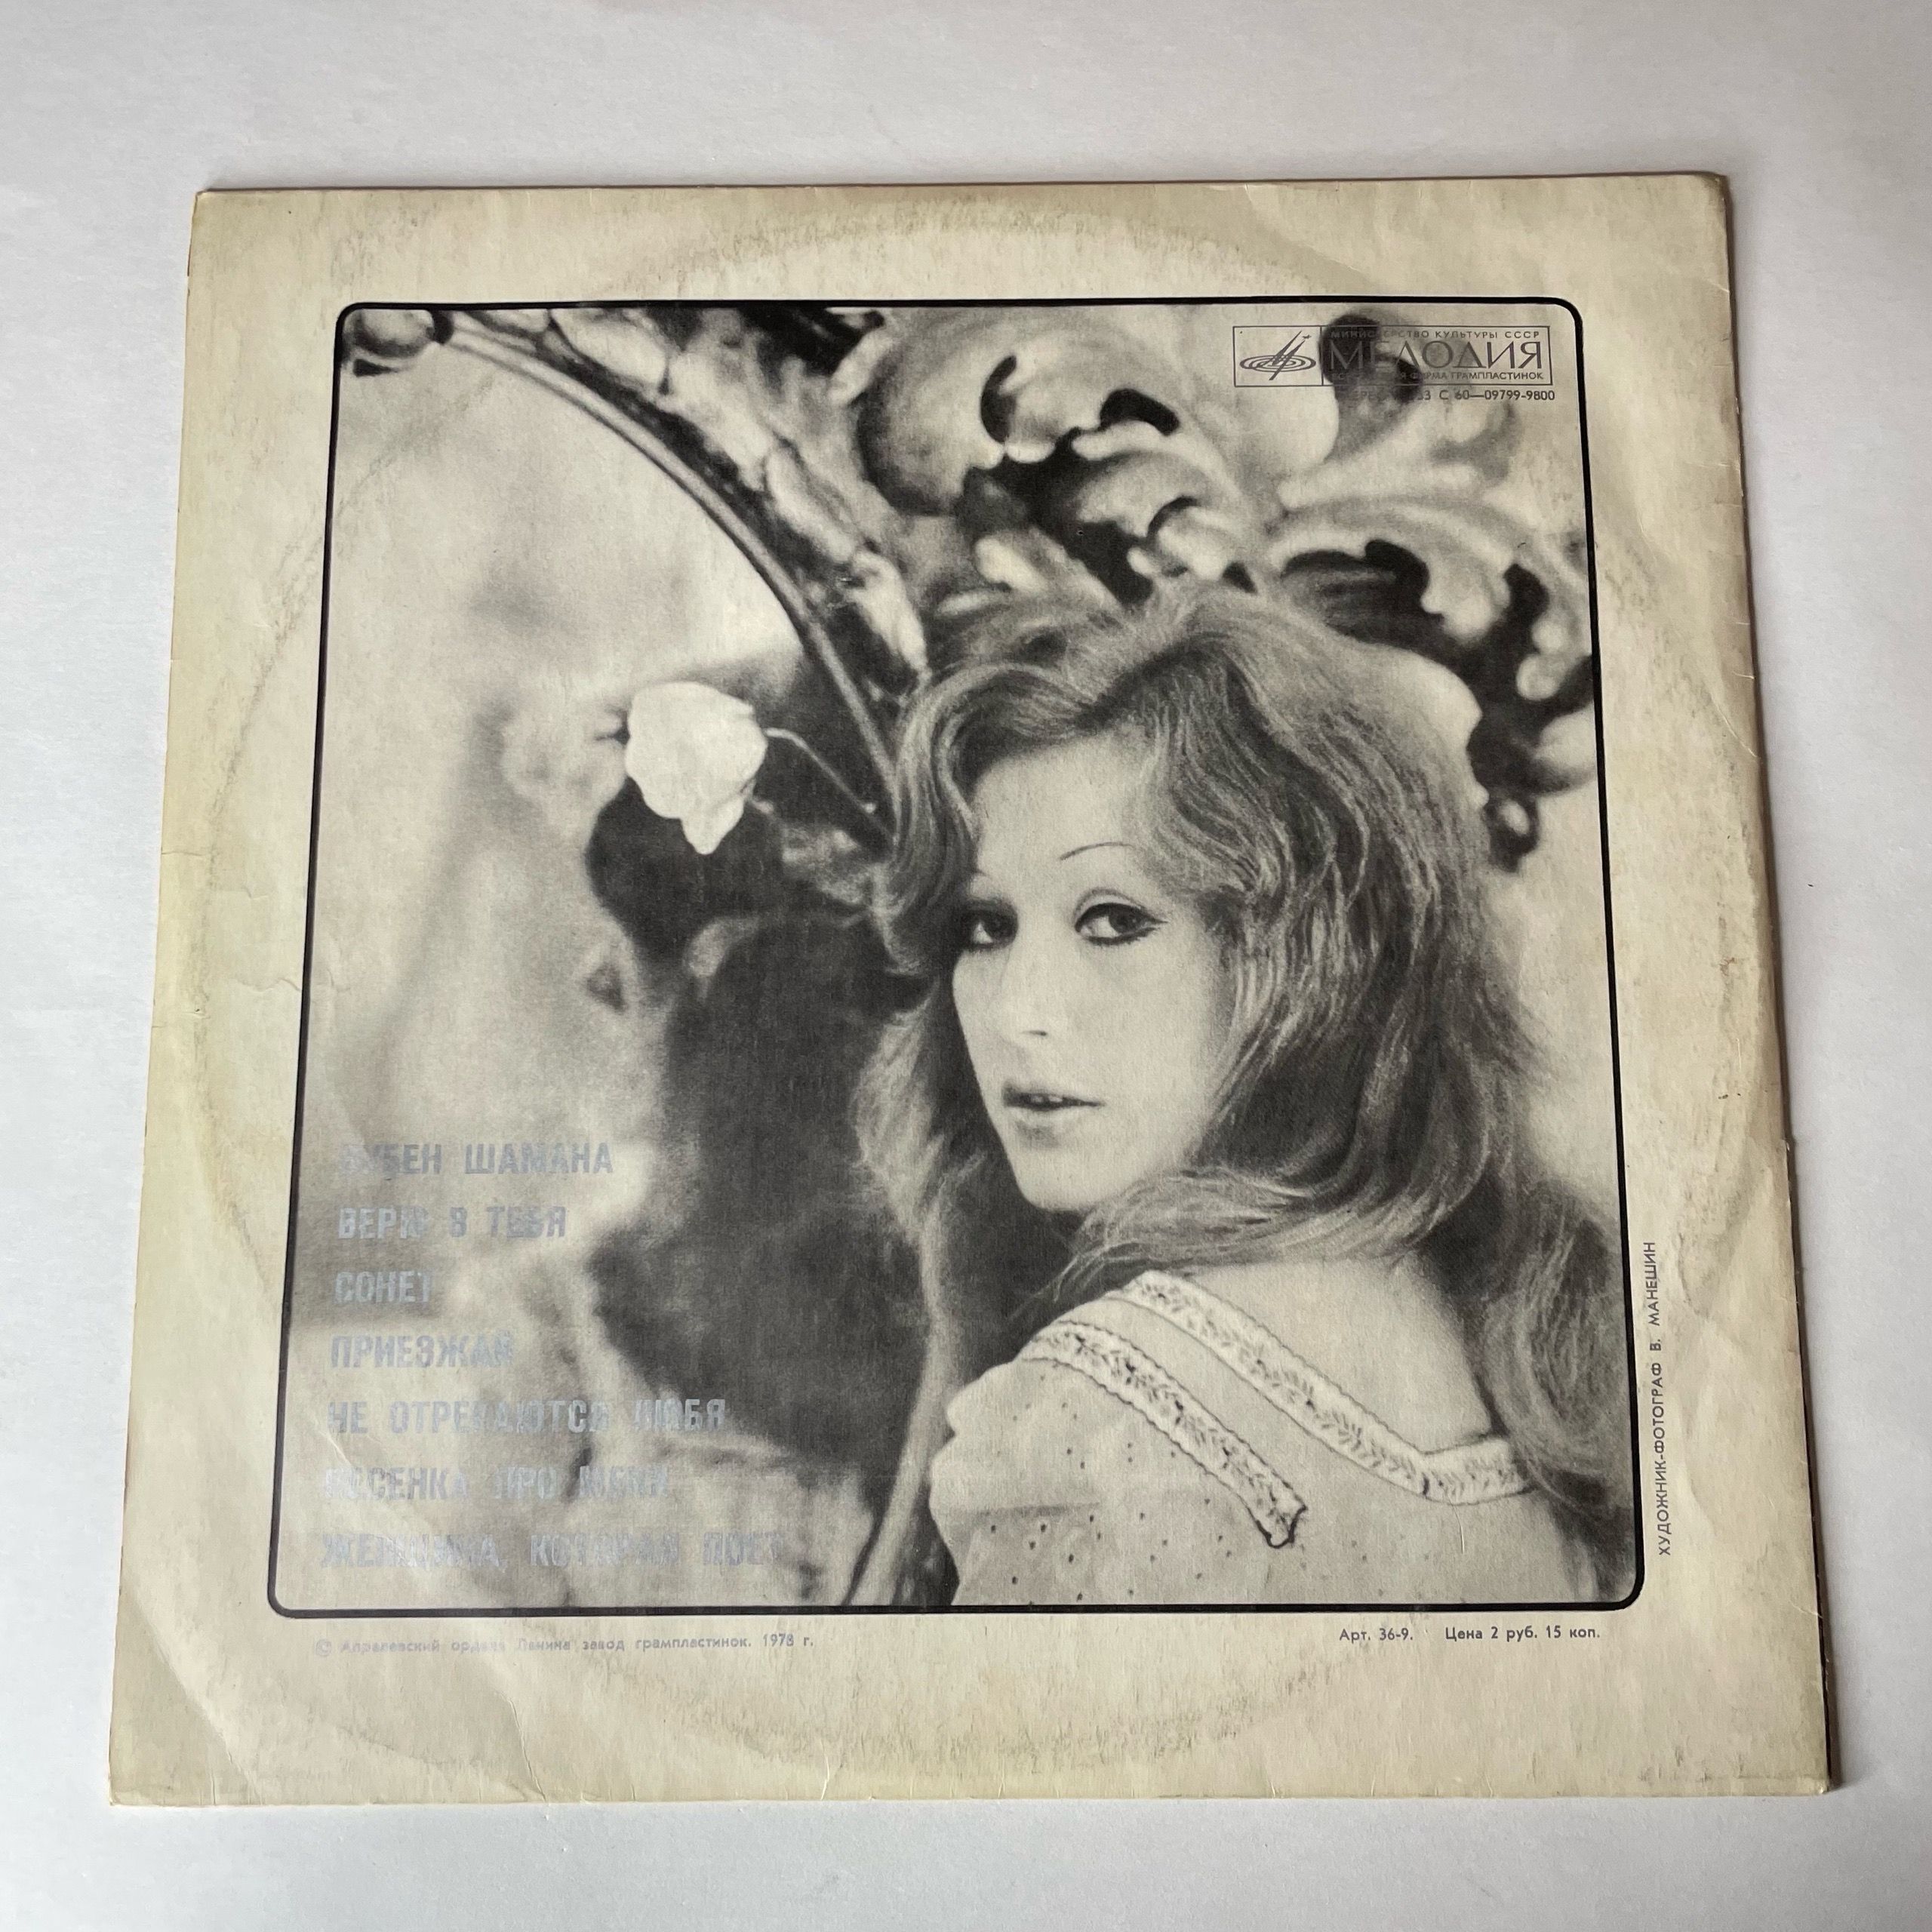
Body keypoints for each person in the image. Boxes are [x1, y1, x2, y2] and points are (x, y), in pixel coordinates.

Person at [851, 586, 1634, 1606]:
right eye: (985, 926)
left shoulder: (1108, 1416)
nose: (1017, 1012)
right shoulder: (1506, 1346)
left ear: (1305, 965)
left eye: (1113, 919)